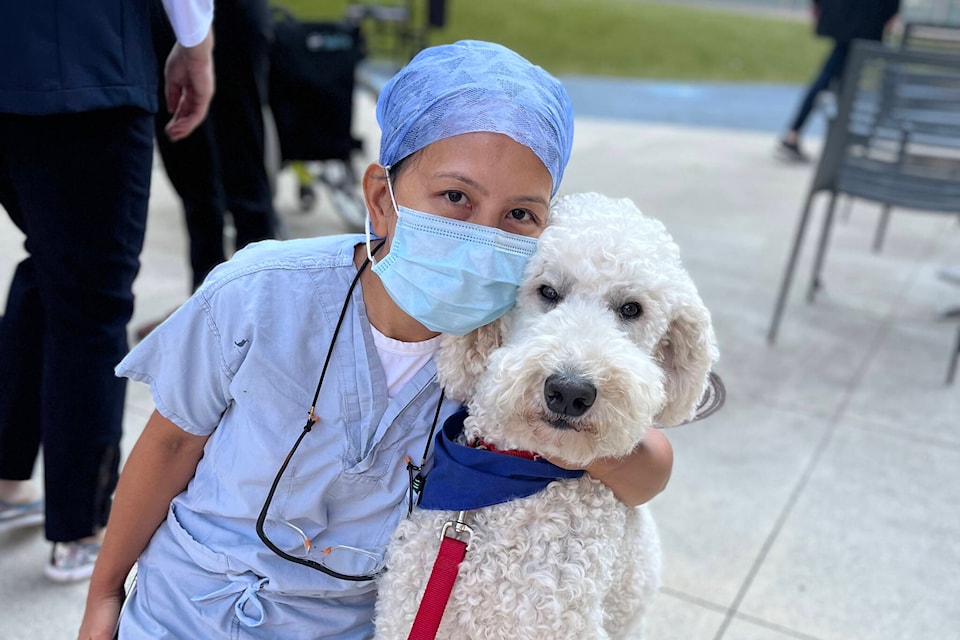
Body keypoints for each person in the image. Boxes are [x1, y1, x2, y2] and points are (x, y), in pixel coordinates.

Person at [78, 40, 674, 639]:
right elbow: (170, 446)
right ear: (381, 200)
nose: (482, 233)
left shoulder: (509, 353)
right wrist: (104, 596)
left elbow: (648, 473)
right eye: (456, 197)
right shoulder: (258, 294)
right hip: (181, 610)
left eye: (519, 215)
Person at [0, 0, 214, 582]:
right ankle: (81, 528)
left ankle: (8, 476)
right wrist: (196, 41)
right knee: (91, 296)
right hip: (86, 59)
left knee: (53, 261)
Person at [134, 0, 277, 341]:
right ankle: (206, 306)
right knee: (187, 160)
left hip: (228, 13)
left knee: (242, 160)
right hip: (166, 13)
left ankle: (265, 311)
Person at [777, 0, 900, 161]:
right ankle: (824, 137)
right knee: (838, 83)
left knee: (836, 82)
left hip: (847, 23)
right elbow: (891, 8)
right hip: (865, 26)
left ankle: (811, 135)